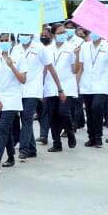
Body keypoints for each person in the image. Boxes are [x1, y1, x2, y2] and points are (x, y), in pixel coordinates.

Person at [12, 32, 61, 160]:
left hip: (34, 89)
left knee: (27, 118)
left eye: (26, 34)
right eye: (21, 34)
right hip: (18, 88)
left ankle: (24, 149)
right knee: (24, 118)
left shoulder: (40, 48)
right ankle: (32, 149)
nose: (23, 36)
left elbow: (50, 67)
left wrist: (59, 88)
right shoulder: (15, 49)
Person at [0, 34, 26, 172]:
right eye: (1, 41)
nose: (4, 43)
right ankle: (11, 156)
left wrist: (12, 67)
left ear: (12, 42)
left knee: (3, 127)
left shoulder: (19, 57)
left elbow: (23, 80)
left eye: (6, 40)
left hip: (13, 98)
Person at [77, 27, 108, 148]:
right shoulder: (84, 46)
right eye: (92, 32)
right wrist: (77, 84)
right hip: (87, 83)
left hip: (103, 84)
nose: (94, 34)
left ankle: (98, 136)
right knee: (89, 111)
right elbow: (81, 67)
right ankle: (91, 137)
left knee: (97, 107)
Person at [43, 23, 79, 151]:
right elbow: (44, 69)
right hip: (50, 86)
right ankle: (56, 143)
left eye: (64, 32)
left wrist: (77, 56)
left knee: (63, 112)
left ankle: (70, 132)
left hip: (67, 86)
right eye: (59, 33)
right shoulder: (47, 49)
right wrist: (41, 87)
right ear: (53, 35)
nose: (63, 35)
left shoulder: (71, 48)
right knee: (53, 115)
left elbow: (75, 70)